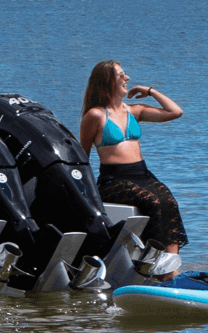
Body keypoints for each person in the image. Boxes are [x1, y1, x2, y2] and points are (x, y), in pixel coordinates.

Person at [78, 61, 187, 272]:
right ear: (107, 81)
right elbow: (82, 156)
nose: (126, 78)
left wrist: (151, 91)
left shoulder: (134, 111)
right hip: (114, 180)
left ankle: (172, 270)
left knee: (169, 202)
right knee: (153, 202)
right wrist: (85, 192)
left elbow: (175, 112)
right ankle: (152, 266)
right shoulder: (95, 116)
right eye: (121, 75)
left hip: (143, 175)